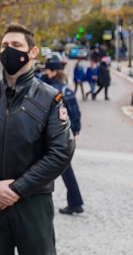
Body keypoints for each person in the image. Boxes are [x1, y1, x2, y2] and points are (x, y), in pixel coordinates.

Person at [0, 23, 75, 255]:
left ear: (32, 52)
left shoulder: (50, 98)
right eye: (4, 45)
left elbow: (61, 151)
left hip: (33, 202)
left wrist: (16, 189)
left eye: (16, 45)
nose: (9, 51)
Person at [40, 59, 84, 216]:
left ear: (53, 71)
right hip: (62, 135)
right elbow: (75, 112)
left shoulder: (51, 88)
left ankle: (75, 201)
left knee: (53, 168)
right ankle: (75, 201)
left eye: (46, 70)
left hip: (52, 135)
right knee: (65, 168)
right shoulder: (65, 89)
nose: (44, 73)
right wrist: (76, 130)